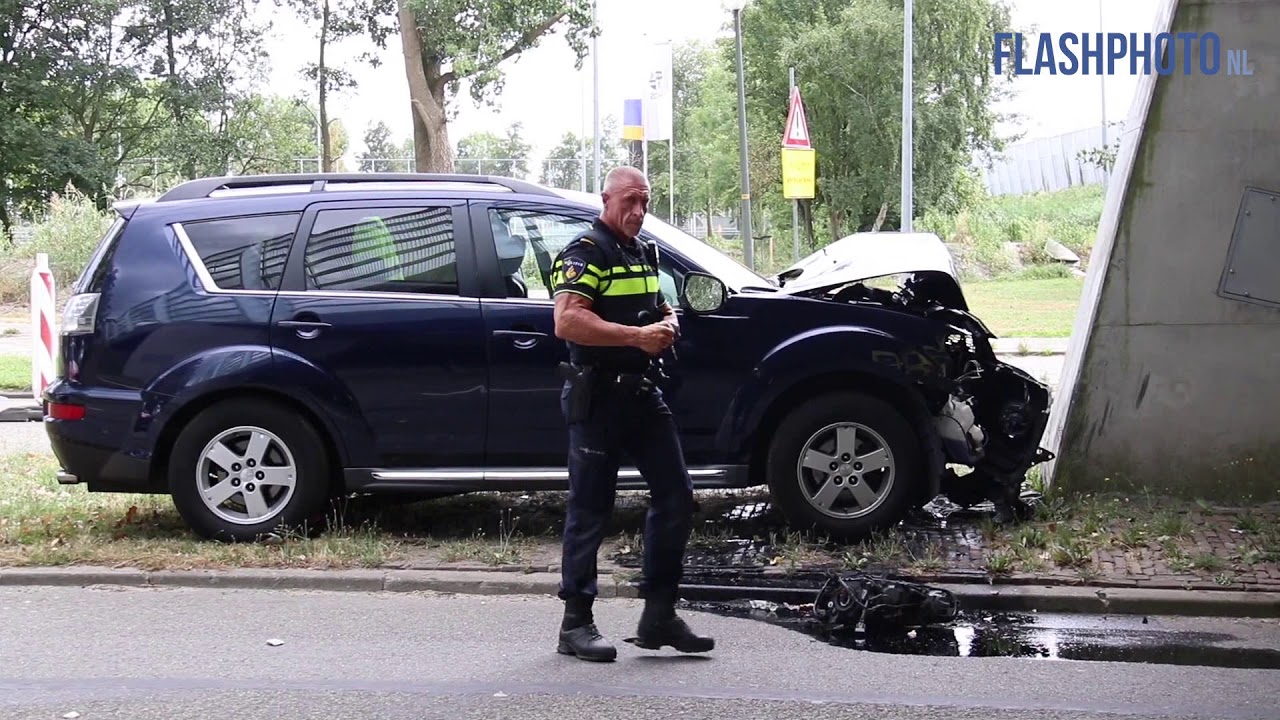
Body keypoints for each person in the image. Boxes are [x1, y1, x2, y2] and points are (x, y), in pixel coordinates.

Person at [549, 165, 715, 662]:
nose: (639, 212)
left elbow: (655, 303)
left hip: (644, 396)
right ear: (607, 199)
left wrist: (666, 320)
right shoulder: (586, 252)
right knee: (590, 511)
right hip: (599, 398)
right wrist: (636, 338)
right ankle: (575, 624)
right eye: (630, 201)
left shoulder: (642, 252)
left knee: (677, 497)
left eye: (645, 202)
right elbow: (567, 320)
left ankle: (659, 614)